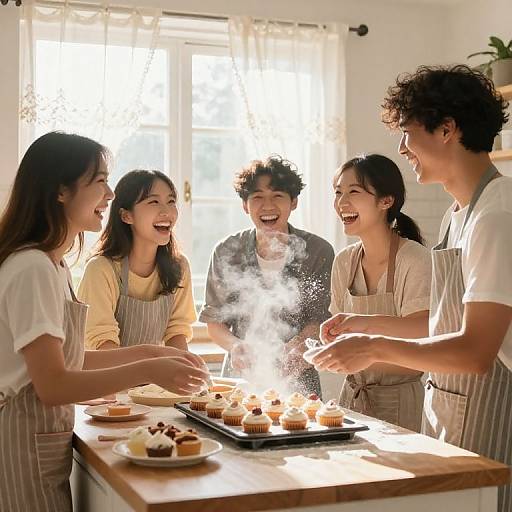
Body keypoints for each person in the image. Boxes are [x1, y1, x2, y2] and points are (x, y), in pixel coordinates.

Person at [312, 65, 512, 512]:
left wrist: (373, 346)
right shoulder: (457, 215)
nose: (402, 148)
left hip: (494, 413)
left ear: (447, 129)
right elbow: (442, 326)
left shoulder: (496, 215)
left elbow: (477, 352)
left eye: (407, 132)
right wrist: (364, 332)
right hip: (450, 412)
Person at [0, 132, 209, 512]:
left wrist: (150, 352)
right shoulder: (33, 267)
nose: (110, 194)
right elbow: (52, 385)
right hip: (22, 440)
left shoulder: (53, 264)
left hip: (40, 438)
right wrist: (148, 367)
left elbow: (70, 359)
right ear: (61, 191)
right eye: (99, 182)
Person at [199, 156, 334, 395]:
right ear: (245, 205)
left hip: (298, 377)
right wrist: (237, 346)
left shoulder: (318, 251)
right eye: (257, 197)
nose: (267, 206)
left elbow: (319, 319)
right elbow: (214, 322)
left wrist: (299, 347)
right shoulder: (227, 251)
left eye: (277, 196)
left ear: (293, 202)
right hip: (241, 378)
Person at [328, 154, 431, 431]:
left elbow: (424, 330)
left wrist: (363, 332)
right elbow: (339, 334)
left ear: (386, 201)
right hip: (351, 400)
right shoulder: (344, 262)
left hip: (401, 402)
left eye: (353, 192)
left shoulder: (415, 259)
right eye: (338, 192)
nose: (341, 203)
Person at [78, 170, 196, 351]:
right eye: (154, 202)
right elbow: (102, 343)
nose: (167, 212)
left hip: (153, 375)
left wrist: (188, 371)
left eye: (171, 201)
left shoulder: (179, 267)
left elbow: (176, 332)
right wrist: (147, 372)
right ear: (126, 216)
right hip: (105, 376)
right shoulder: (101, 269)